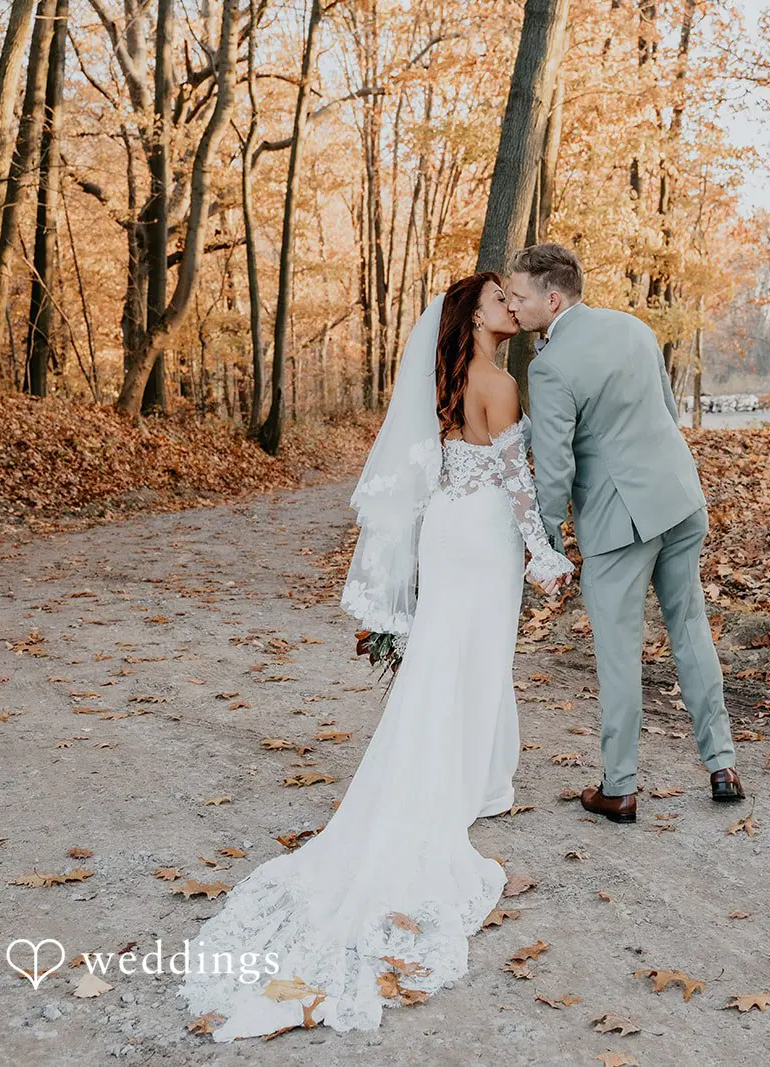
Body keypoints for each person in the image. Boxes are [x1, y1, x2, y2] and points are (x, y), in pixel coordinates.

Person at [179, 272, 572, 1040]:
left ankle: (464, 778)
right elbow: (517, 481)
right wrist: (544, 555)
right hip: (485, 534)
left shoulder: (449, 377)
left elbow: (460, 466)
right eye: (496, 301)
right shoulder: (496, 381)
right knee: (477, 659)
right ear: (476, 317)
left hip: (446, 530)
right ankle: (463, 786)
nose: (508, 307)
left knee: (440, 660)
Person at [506, 242, 743, 825]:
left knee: (617, 651)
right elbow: (664, 411)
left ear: (552, 297)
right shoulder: (635, 329)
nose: (513, 305)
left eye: (520, 296)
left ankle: (620, 787)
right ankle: (722, 765)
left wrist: (548, 534)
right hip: (680, 501)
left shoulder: (550, 366)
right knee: (690, 627)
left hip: (620, 520)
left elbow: (556, 466)